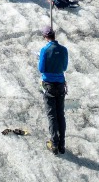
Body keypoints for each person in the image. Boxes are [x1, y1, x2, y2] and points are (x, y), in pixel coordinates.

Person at [38, 26, 69, 155]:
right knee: (60, 114)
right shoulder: (64, 49)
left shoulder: (44, 50)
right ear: (54, 35)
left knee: (52, 115)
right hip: (61, 84)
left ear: (45, 36)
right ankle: (62, 144)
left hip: (49, 85)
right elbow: (65, 66)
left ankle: (54, 143)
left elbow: (41, 69)